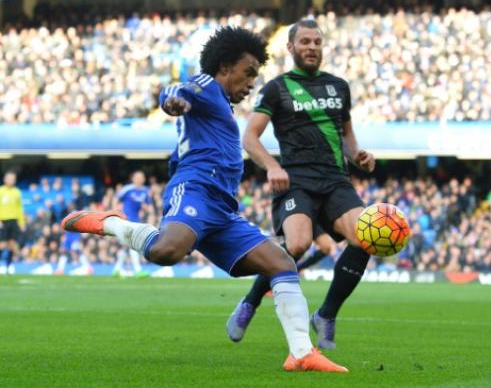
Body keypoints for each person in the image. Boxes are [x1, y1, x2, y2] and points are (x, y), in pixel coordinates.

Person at [62, 26, 347, 372]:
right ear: (225, 67)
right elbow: (178, 89)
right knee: (167, 251)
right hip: (195, 188)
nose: (251, 82)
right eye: (248, 73)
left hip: (223, 208)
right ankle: (112, 224)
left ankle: (301, 353)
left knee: (282, 264)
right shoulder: (207, 87)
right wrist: (172, 101)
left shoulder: (222, 103)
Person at [226, 19, 375, 350]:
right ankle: (251, 301)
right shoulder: (277, 89)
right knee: (296, 245)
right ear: (291, 47)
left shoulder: (339, 87)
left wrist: (358, 155)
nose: (311, 47)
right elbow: (249, 137)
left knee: (367, 239)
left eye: (317, 42)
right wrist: (272, 166)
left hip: (336, 180)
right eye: (305, 41)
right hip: (296, 182)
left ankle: (326, 314)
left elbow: (347, 136)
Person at [112, 170, 152, 277]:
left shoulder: (145, 191)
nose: (140, 179)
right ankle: (138, 270)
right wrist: (115, 212)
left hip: (136, 221)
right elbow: (116, 199)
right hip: (126, 220)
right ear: (133, 179)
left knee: (126, 246)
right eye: (138, 177)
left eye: (142, 177)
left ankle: (116, 269)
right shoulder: (127, 189)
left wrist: (147, 210)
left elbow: (148, 206)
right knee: (132, 245)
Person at [0, 171, 25, 274]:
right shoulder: (0, 191)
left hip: (14, 221)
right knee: (2, 244)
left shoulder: (17, 192)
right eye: (9, 178)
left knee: (12, 244)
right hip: (3, 221)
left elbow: (19, 208)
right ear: (5, 179)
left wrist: (22, 222)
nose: (11, 180)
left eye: (13, 178)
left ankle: (9, 266)